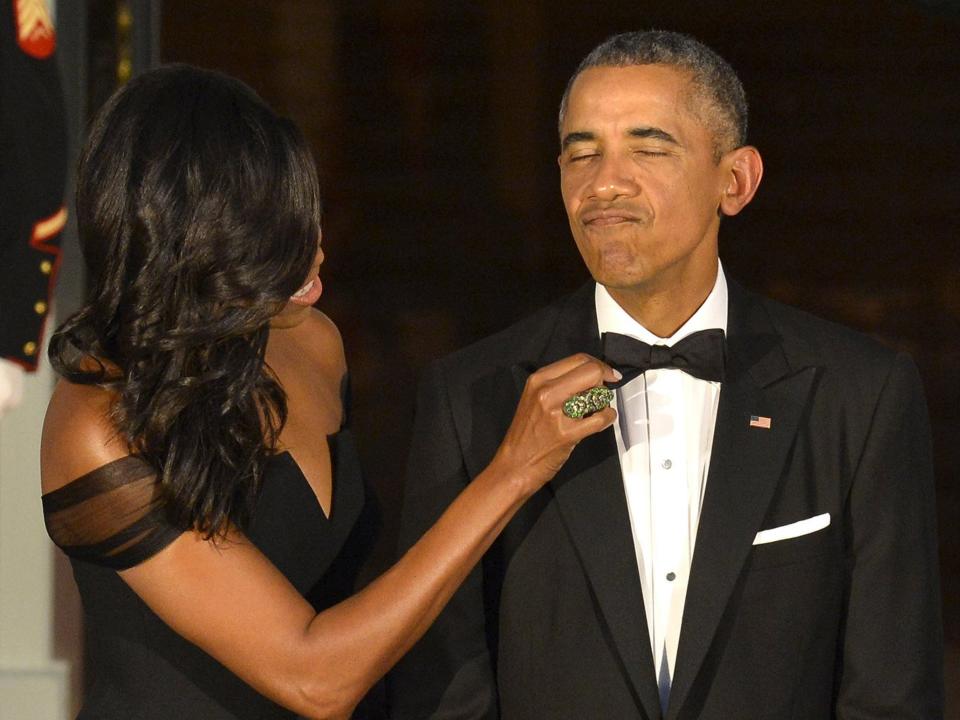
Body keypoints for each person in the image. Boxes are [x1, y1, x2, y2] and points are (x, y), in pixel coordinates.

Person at [388, 30, 943, 719]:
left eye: (648, 149)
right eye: (581, 153)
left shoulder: (860, 394)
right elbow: (442, 691)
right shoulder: (470, 396)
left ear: (734, 181)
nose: (604, 184)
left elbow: (893, 695)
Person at [39, 64, 618, 720]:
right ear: (190, 241)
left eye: (306, 214)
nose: (315, 249)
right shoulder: (97, 424)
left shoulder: (311, 342)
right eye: (275, 232)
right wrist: (512, 471)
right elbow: (315, 677)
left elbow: (377, 593)